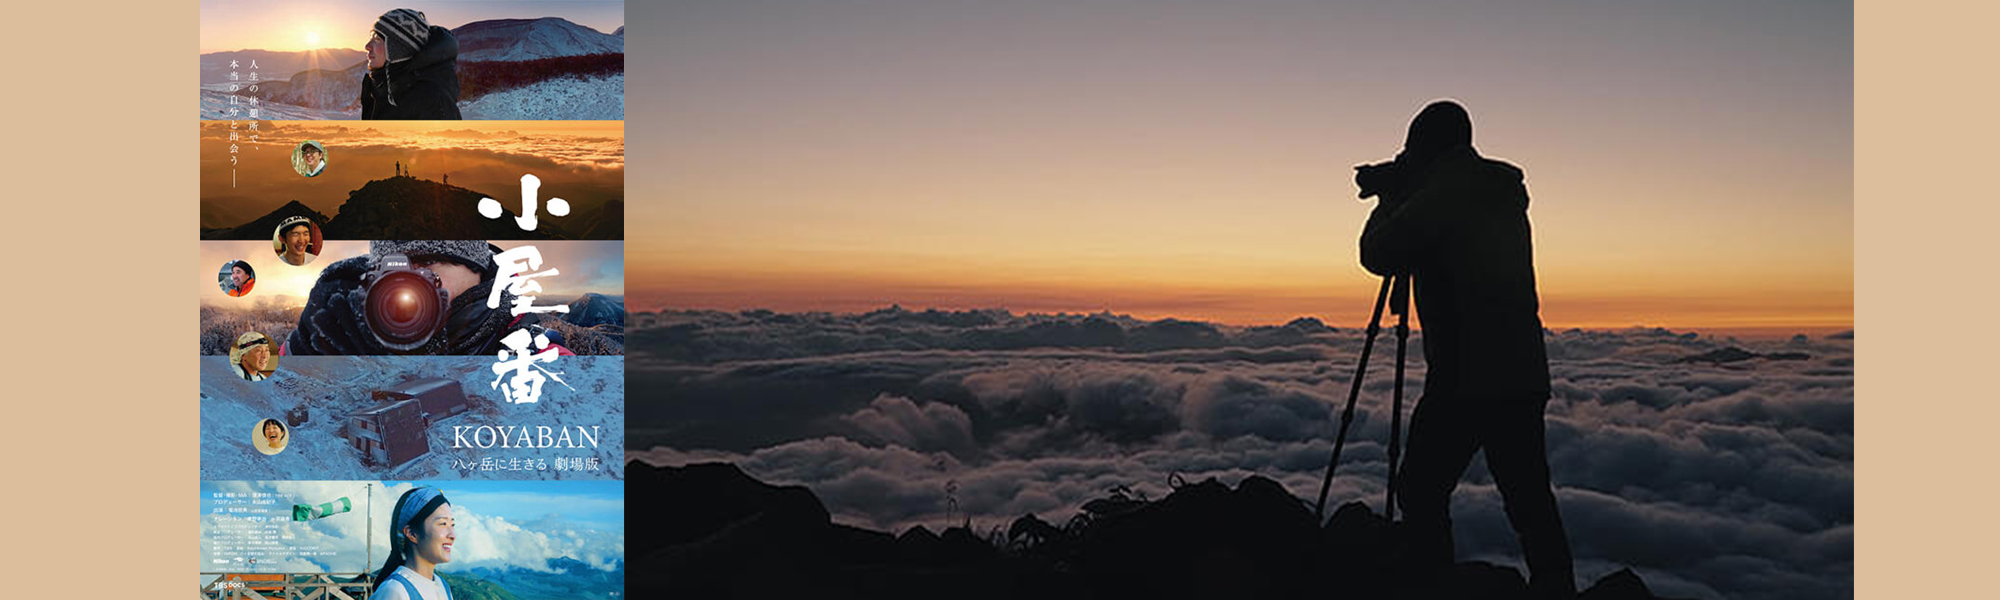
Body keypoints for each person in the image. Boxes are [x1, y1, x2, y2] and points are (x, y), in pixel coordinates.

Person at [1358, 100, 1575, 598]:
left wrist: (1388, 197)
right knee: (1529, 499)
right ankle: (1556, 586)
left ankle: (1429, 579)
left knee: (1420, 487)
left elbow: (1380, 254)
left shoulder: (1445, 193)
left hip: (1466, 373)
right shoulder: (1495, 188)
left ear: (1425, 146)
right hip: (1521, 369)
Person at [284, 241, 569, 355]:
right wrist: (307, 354)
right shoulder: (351, 326)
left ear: (477, 270)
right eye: (396, 271)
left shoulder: (540, 358)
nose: (409, 287)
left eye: (431, 263)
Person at [360, 9, 462, 120]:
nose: (367, 46)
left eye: (377, 39)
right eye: (371, 37)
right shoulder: (378, 88)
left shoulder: (431, 100)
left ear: (398, 49)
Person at [371, 486, 457, 600]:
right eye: (443, 524)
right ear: (412, 534)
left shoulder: (443, 586)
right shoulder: (395, 591)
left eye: (452, 525)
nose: (452, 535)